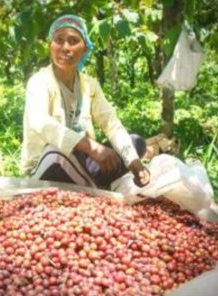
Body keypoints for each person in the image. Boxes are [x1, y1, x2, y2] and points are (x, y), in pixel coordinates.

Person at [21, 14, 150, 189]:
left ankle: (85, 185)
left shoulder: (89, 85)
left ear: (85, 48)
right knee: (55, 152)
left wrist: (134, 162)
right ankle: (93, 190)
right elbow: (41, 122)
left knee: (135, 143)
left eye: (73, 41)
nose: (65, 48)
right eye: (59, 40)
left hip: (82, 162)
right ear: (51, 46)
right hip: (48, 165)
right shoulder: (39, 81)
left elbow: (110, 123)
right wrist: (92, 148)